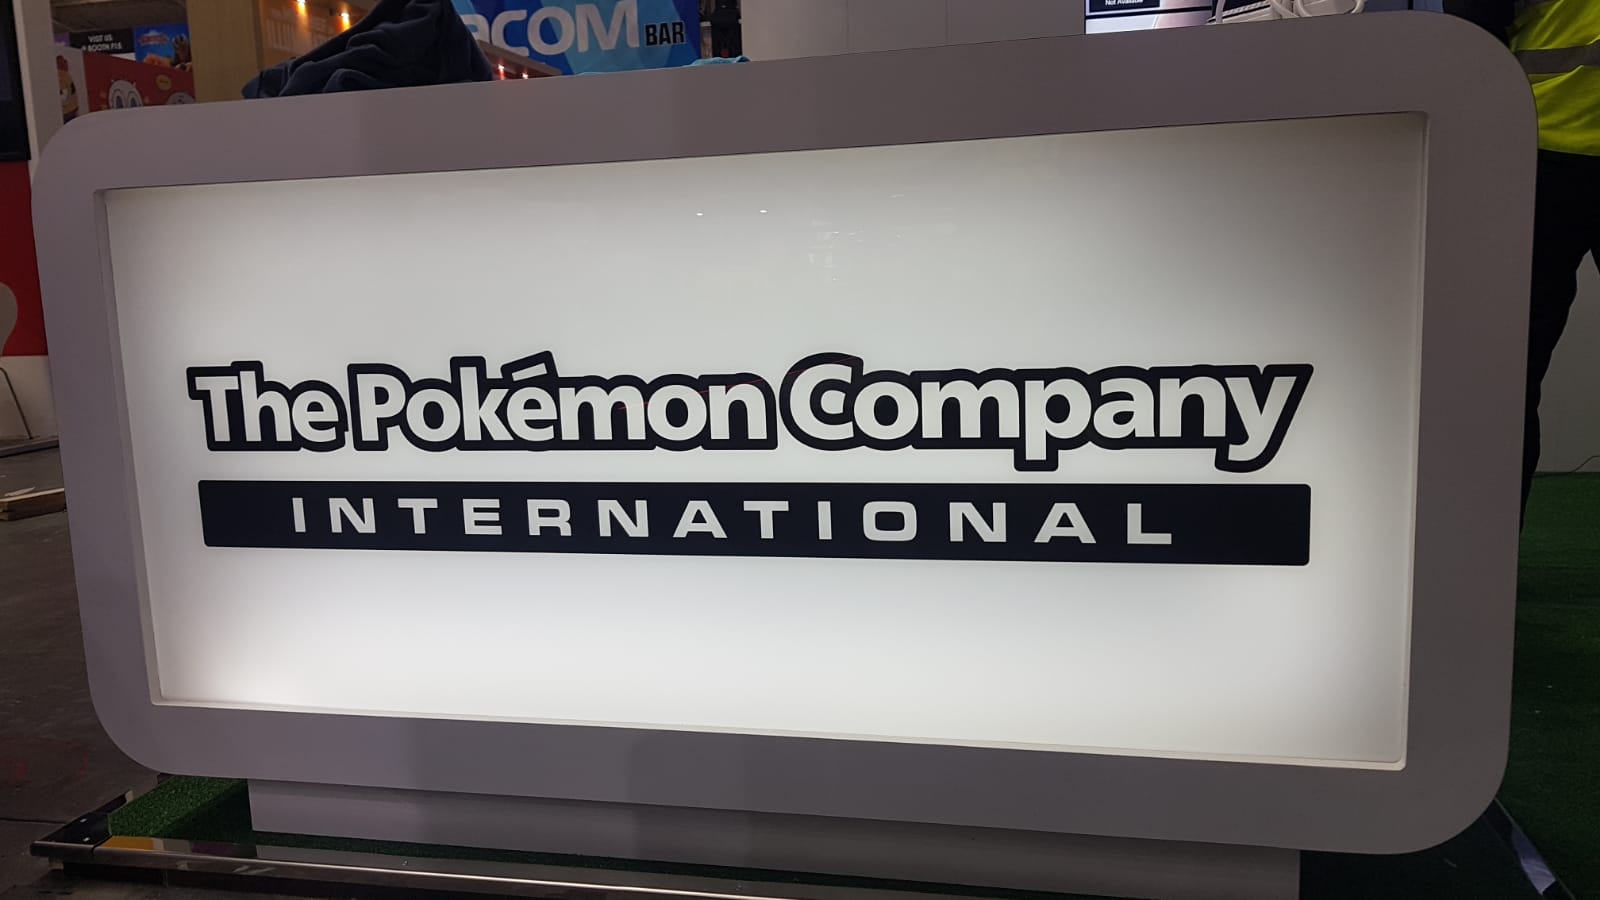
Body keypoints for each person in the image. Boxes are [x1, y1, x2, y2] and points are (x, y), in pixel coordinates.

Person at [1446, 0, 1600, 517]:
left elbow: (1470, 35)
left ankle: (1485, 547)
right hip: (1534, 153)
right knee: (1509, 370)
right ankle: (1485, 543)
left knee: (1509, 371)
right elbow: (1471, 37)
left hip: (1534, 150)